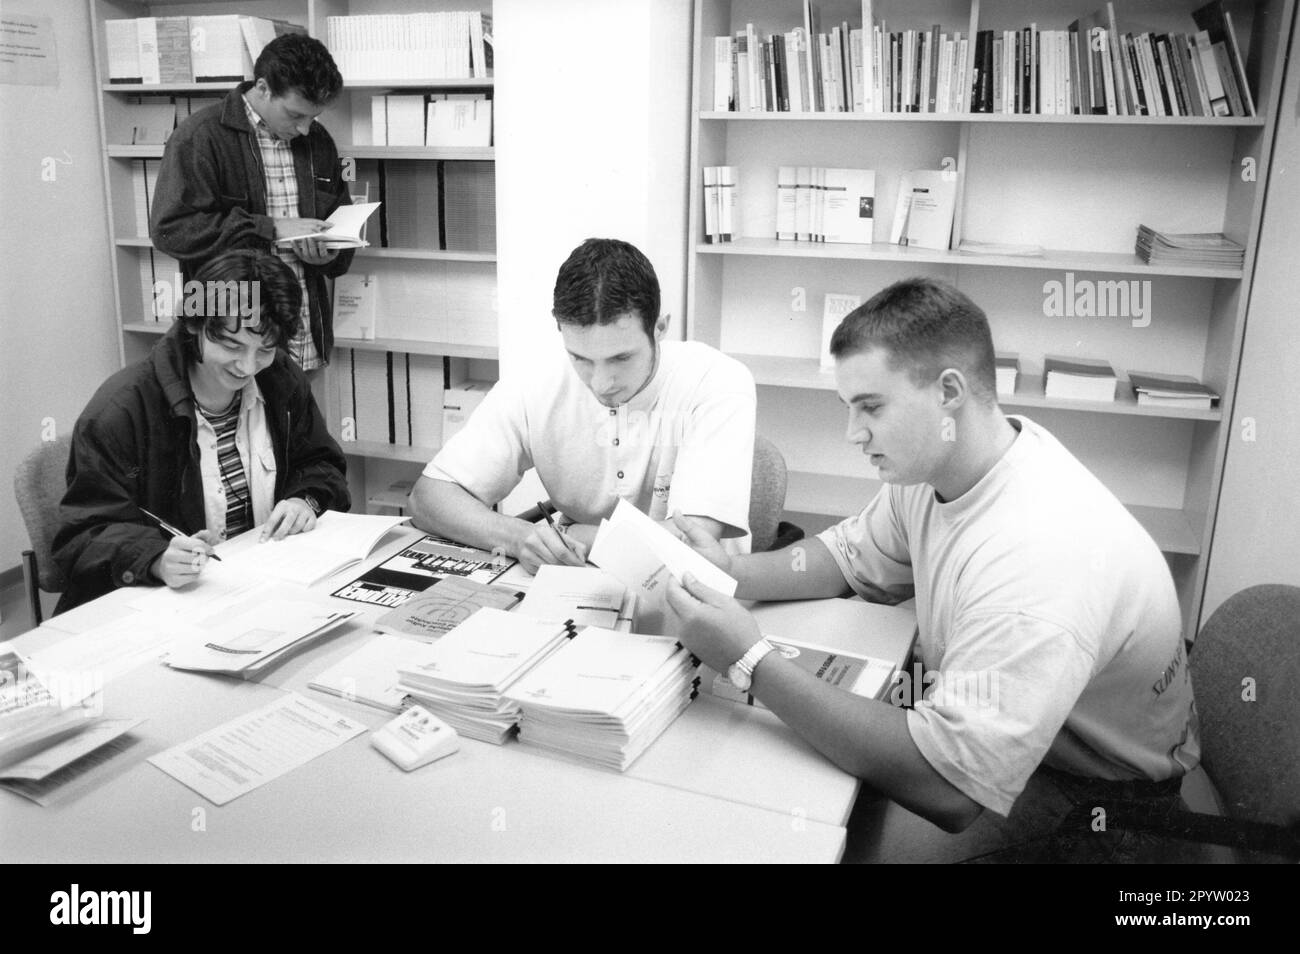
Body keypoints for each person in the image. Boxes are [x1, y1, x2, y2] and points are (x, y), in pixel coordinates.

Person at [663, 277, 1200, 862]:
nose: (853, 434)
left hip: (1100, 809)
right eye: (849, 408)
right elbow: (844, 556)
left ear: (949, 391)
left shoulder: (1038, 557)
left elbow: (949, 792)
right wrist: (729, 571)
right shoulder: (952, 463)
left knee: (832, 842)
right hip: (1009, 739)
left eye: (871, 407)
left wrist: (750, 660)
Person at [410, 238, 757, 573]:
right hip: (578, 580)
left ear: (660, 328)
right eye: (581, 358)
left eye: (621, 357)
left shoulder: (717, 381)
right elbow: (429, 497)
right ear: (560, 330)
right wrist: (520, 537)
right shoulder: (536, 382)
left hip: (691, 592)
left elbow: (693, 542)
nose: (601, 383)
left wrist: (572, 535)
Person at [53, 250, 350, 613]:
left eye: (265, 349)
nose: (247, 366)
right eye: (231, 345)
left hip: (255, 591)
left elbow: (322, 463)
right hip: (157, 609)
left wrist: (306, 499)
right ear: (195, 324)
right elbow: (82, 536)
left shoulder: (280, 379)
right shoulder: (122, 409)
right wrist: (155, 558)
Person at [150, 33, 354, 372]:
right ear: (262, 88)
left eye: (312, 118)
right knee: (236, 423)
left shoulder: (318, 142)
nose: (305, 129)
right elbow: (171, 230)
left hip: (303, 336)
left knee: (297, 425)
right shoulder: (199, 137)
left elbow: (340, 225)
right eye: (295, 115)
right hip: (232, 338)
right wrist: (269, 228)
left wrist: (330, 254)